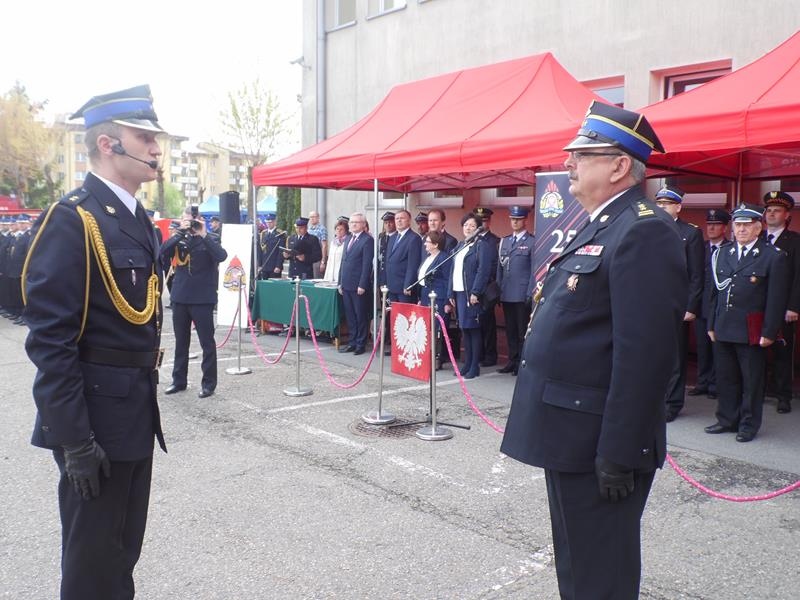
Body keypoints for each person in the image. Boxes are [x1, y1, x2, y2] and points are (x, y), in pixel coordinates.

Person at [501, 101, 687, 599]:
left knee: (600, 578)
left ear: (619, 165)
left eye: (582, 155)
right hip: (572, 433)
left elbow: (644, 357)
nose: (569, 163)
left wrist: (620, 452)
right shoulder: (602, 221)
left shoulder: (643, 229)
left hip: (599, 442)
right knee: (578, 568)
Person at [23, 84, 167, 600]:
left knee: (122, 552)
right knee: (91, 563)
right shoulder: (73, 218)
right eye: (144, 137)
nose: (156, 148)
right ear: (108, 144)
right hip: (95, 423)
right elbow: (51, 342)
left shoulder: (136, 219)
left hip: (133, 412)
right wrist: (74, 440)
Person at [707, 203, 788, 441]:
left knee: (751, 381)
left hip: (751, 329)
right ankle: (727, 419)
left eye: (746, 225)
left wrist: (769, 332)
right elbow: (714, 293)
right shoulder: (723, 253)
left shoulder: (772, 256)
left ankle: (748, 425)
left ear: (758, 228)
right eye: (738, 225)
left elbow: (776, 299)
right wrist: (711, 324)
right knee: (726, 378)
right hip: (724, 325)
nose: (741, 229)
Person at [161, 205, 228, 398]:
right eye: (186, 219)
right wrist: (180, 232)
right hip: (181, 296)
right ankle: (178, 381)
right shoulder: (179, 238)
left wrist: (203, 233)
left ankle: (209, 384)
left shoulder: (210, 238)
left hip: (202, 298)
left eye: (192, 220)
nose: (189, 223)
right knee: (181, 342)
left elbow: (221, 256)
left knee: (207, 343)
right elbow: (162, 252)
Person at [654, 185, 705, 422]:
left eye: (667, 204)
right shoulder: (650, 229)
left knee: (675, 357)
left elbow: (696, 274)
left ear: (678, 207)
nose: (662, 207)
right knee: (653, 352)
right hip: (653, 303)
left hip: (677, 304)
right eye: (659, 204)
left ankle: (672, 403)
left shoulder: (690, 233)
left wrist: (691, 306)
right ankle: (655, 399)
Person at [762, 190, 800, 414]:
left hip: (783, 306)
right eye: (769, 210)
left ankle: (783, 395)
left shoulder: (794, 241)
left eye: (777, 211)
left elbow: (798, 277)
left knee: (782, 353)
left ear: (787, 215)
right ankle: (758, 391)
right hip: (758, 306)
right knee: (756, 350)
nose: (771, 214)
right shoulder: (758, 238)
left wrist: (794, 306)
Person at [689, 208, 731, 400]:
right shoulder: (701, 247)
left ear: (724, 228)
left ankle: (715, 384)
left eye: (716, 225)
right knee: (702, 347)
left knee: (718, 347)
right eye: (709, 224)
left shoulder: (730, 248)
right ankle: (702, 382)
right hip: (702, 305)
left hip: (720, 306)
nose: (711, 228)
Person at [446, 212, 493, 379]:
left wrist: (476, 291)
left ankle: (474, 365)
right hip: (459, 292)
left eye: (472, 225)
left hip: (471, 294)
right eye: (466, 225)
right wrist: (450, 292)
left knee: (473, 329)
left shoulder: (481, 245)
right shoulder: (460, 245)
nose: (468, 228)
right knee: (464, 329)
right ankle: (466, 363)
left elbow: (483, 271)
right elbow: (453, 270)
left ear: (478, 228)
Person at [496, 205, 535, 375]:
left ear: (525, 220)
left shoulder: (531, 242)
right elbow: (499, 268)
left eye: (518, 219)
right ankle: (511, 361)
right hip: (507, 292)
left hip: (521, 294)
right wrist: (498, 290)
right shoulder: (504, 241)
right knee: (510, 330)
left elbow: (533, 270)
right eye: (513, 219)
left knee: (522, 331)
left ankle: (521, 362)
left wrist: (530, 292)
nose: (515, 222)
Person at [338, 212, 374, 355]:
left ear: (363, 225)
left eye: (356, 222)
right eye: (351, 222)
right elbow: (343, 261)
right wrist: (340, 282)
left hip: (358, 285)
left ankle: (360, 343)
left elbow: (367, 265)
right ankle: (352, 342)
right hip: (346, 284)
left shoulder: (367, 240)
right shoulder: (348, 238)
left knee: (360, 315)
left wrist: (362, 284)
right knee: (350, 316)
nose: (353, 224)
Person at [416, 230, 452, 369]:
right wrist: (421, 297)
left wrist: (448, 301)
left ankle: (438, 358)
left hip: (439, 297)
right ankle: (427, 356)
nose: (425, 244)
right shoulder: (428, 257)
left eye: (428, 242)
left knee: (438, 328)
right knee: (427, 327)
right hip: (426, 295)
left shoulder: (444, 258)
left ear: (436, 244)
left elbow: (448, 280)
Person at [474, 207, 501, 367]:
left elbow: (497, 266)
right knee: (475, 322)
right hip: (473, 286)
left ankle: (490, 356)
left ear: (489, 221)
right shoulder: (471, 239)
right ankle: (479, 354)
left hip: (487, 287)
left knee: (488, 323)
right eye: (479, 221)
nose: (481, 224)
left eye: (484, 220)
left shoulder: (495, 241)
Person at [386, 209, 423, 304]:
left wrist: (408, 285)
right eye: (397, 218)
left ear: (409, 221)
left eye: (402, 218)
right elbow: (388, 261)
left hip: (404, 288)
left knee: (404, 313)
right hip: (391, 285)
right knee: (393, 312)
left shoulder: (414, 238)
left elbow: (413, 265)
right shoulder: (392, 237)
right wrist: (384, 282)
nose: (399, 221)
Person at [257, 212, 287, 279]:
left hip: (274, 266)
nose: (268, 224)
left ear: (275, 222)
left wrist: (278, 266)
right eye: (267, 222)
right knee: (264, 284)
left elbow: (281, 252)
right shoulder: (263, 233)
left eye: (270, 222)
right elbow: (260, 251)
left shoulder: (280, 234)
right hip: (264, 265)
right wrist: (260, 265)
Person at [324, 217, 350, 282]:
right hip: (330, 275)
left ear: (346, 231)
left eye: (341, 229)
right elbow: (329, 260)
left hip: (341, 275)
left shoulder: (348, 242)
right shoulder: (333, 242)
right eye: (337, 229)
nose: (338, 231)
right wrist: (326, 277)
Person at [377, 211, 396, 289]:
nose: (388, 225)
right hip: (381, 272)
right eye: (386, 223)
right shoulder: (381, 236)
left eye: (390, 222)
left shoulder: (397, 236)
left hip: (392, 273)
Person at [308, 210, 328, 278]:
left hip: (318, 259)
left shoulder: (322, 229)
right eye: (310, 217)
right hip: (309, 258)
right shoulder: (309, 229)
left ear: (318, 217)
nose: (312, 219)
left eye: (314, 217)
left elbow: (324, 246)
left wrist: (323, 262)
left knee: (317, 279)